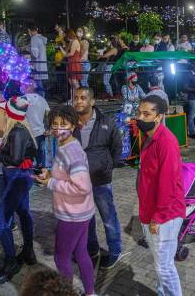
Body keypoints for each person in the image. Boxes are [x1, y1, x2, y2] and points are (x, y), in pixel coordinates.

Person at [35, 105, 96, 296]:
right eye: (55, 124)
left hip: (73, 215)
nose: (58, 128)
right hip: (82, 212)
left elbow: (83, 187)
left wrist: (51, 183)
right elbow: (67, 175)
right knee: (81, 253)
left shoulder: (71, 152)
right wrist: (50, 173)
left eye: (64, 124)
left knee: (61, 259)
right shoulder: (68, 145)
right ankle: (90, 293)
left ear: (73, 125)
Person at [136, 95, 184, 295]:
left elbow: (168, 184)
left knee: (164, 268)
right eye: (139, 113)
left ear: (159, 116)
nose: (140, 117)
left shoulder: (166, 142)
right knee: (160, 263)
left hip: (165, 214)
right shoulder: (149, 138)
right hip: (150, 210)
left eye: (146, 114)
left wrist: (158, 216)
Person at [72, 87, 124, 270]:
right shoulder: (70, 123)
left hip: (101, 180)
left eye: (83, 98)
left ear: (92, 102)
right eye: (76, 98)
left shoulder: (106, 122)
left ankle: (116, 251)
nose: (78, 101)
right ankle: (91, 248)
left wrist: (107, 167)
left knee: (108, 216)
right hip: (79, 181)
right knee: (87, 218)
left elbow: (117, 147)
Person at [0, 97, 37, 282]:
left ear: (9, 113)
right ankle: (28, 251)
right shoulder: (20, 129)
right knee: (24, 213)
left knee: (0, 221)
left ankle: (11, 261)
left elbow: (15, 160)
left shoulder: (17, 131)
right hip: (19, 176)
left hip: (18, 176)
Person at [21, 78, 50, 167]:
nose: (20, 86)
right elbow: (48, 115)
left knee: (26, 159)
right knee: (40, 158)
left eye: (22, 84)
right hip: (40, 134)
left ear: (28, 86)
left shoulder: (21, 100)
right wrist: (48, 128)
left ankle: (27, 177)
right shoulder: (42, 100)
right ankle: (40, 176)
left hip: (25, 135)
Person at [28, 24, 49, 97]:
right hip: (42, 64)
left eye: (28, 31)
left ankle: (41, 100)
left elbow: (35, 54)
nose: (28, 33)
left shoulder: (34, 39)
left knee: (37, 84)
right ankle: (41, 99)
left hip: (37, 65)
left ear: (30, 31)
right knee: (39, 83)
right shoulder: (41, 39)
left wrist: (28, 52)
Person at [62, 30, 82, 101]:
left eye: (66, 35)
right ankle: (72, 99)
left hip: (74, 63)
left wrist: (64, 54)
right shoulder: (71, 42)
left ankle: (81, 97)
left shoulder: (75, 41)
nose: (65, 37)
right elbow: (66, 52)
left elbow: (71, 53)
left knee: (74, 82)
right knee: (71, 83)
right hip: (71, 63)